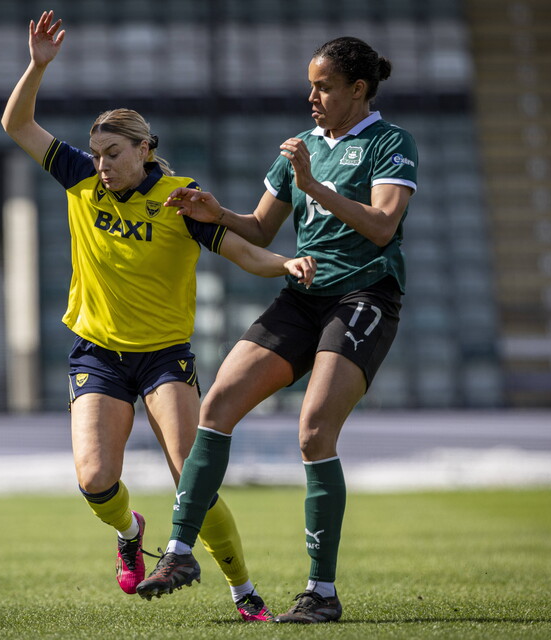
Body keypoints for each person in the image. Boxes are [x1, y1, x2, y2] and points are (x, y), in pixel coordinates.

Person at [0, 11, 317, 622]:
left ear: (146, 149)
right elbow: (16, 123)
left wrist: (283, 264)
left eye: (113, 153)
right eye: (95, 154)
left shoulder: (181, 199)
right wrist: (38, 66)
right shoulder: (78, 180)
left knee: (191, 478)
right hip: (96, 351)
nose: (101, 165)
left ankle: (244, 592)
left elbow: (240, 249)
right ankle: (129, 530)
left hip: (164, 357)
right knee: (95, 479)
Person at [136, 36, 417, 624]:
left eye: (323, 87)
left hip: (364, 296)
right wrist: (218, 213)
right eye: (310, 85)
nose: (310, 96)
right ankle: (182, 552)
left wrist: (313, 185)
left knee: (314, 433)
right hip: (303, 295)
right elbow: (261, 230)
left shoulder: (391, 144)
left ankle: (322, 592)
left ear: (358, 90)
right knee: (217, 405)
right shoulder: (301, 147)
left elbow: (384, 227)